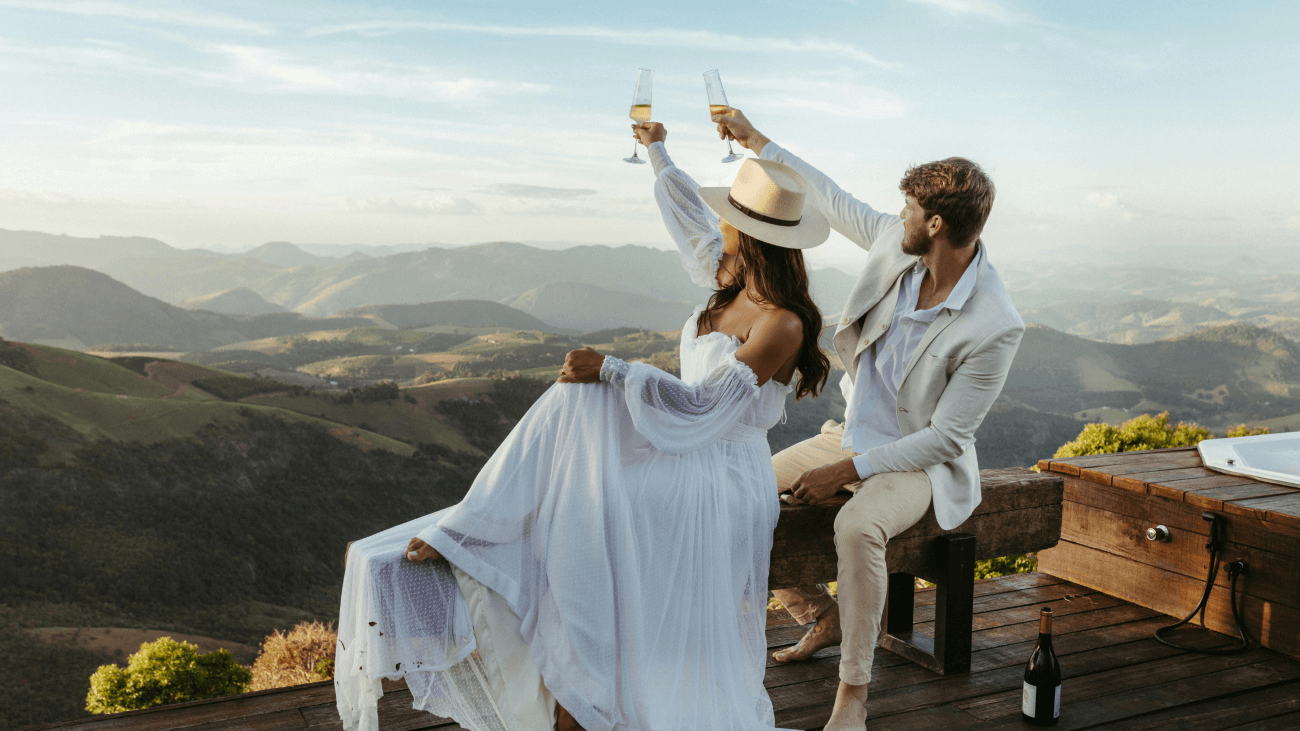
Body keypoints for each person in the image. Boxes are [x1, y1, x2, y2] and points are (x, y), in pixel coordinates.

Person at [334, 121, 831, 731]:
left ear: (750, 235)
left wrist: (618, 371)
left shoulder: (782, 324)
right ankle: (560, 663)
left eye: (728, 217)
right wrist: (655, 149)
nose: (718, 224)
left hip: (719, 472)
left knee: (584, 470)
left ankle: (481, 535)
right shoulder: (727, 278)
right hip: (676, 450)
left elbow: (705, 410)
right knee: (576, 440)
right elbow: (687, 220)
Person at [712, 110, 1024, 730]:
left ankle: (853, 694)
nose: (898, 214)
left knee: (857, 529)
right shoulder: (894, 241)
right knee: (733, 486)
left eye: (908, 208)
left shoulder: (994, 323)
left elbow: (946, 438)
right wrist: (754, 140)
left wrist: (846, 471)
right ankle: (817, 616)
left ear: (935, 223)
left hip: (918, 463)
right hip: (848, 439)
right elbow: (828, 194)